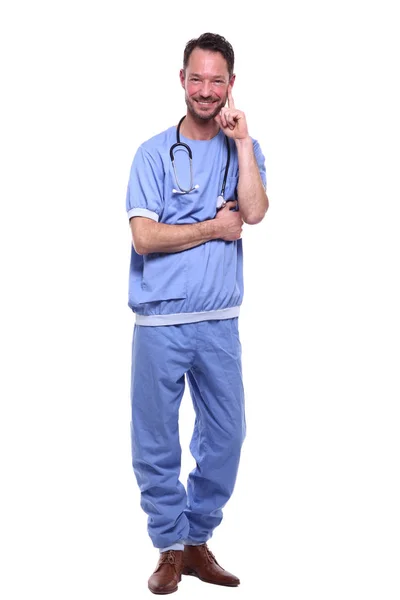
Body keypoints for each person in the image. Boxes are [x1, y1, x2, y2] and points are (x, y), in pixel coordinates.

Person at [125, 32, 269, 595]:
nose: (206, 90)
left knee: (226, 435)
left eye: (217, 80)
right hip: (159, 322)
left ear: (230, 84)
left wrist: (243, 143)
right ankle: (167, 546)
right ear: (181, 80)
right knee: (157, 441)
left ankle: (195, 541)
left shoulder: (243, 151)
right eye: (197, 78)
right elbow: (144, 237)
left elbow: (253, 212)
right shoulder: (151, 154)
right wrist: (212, 227)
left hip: (218, 321)